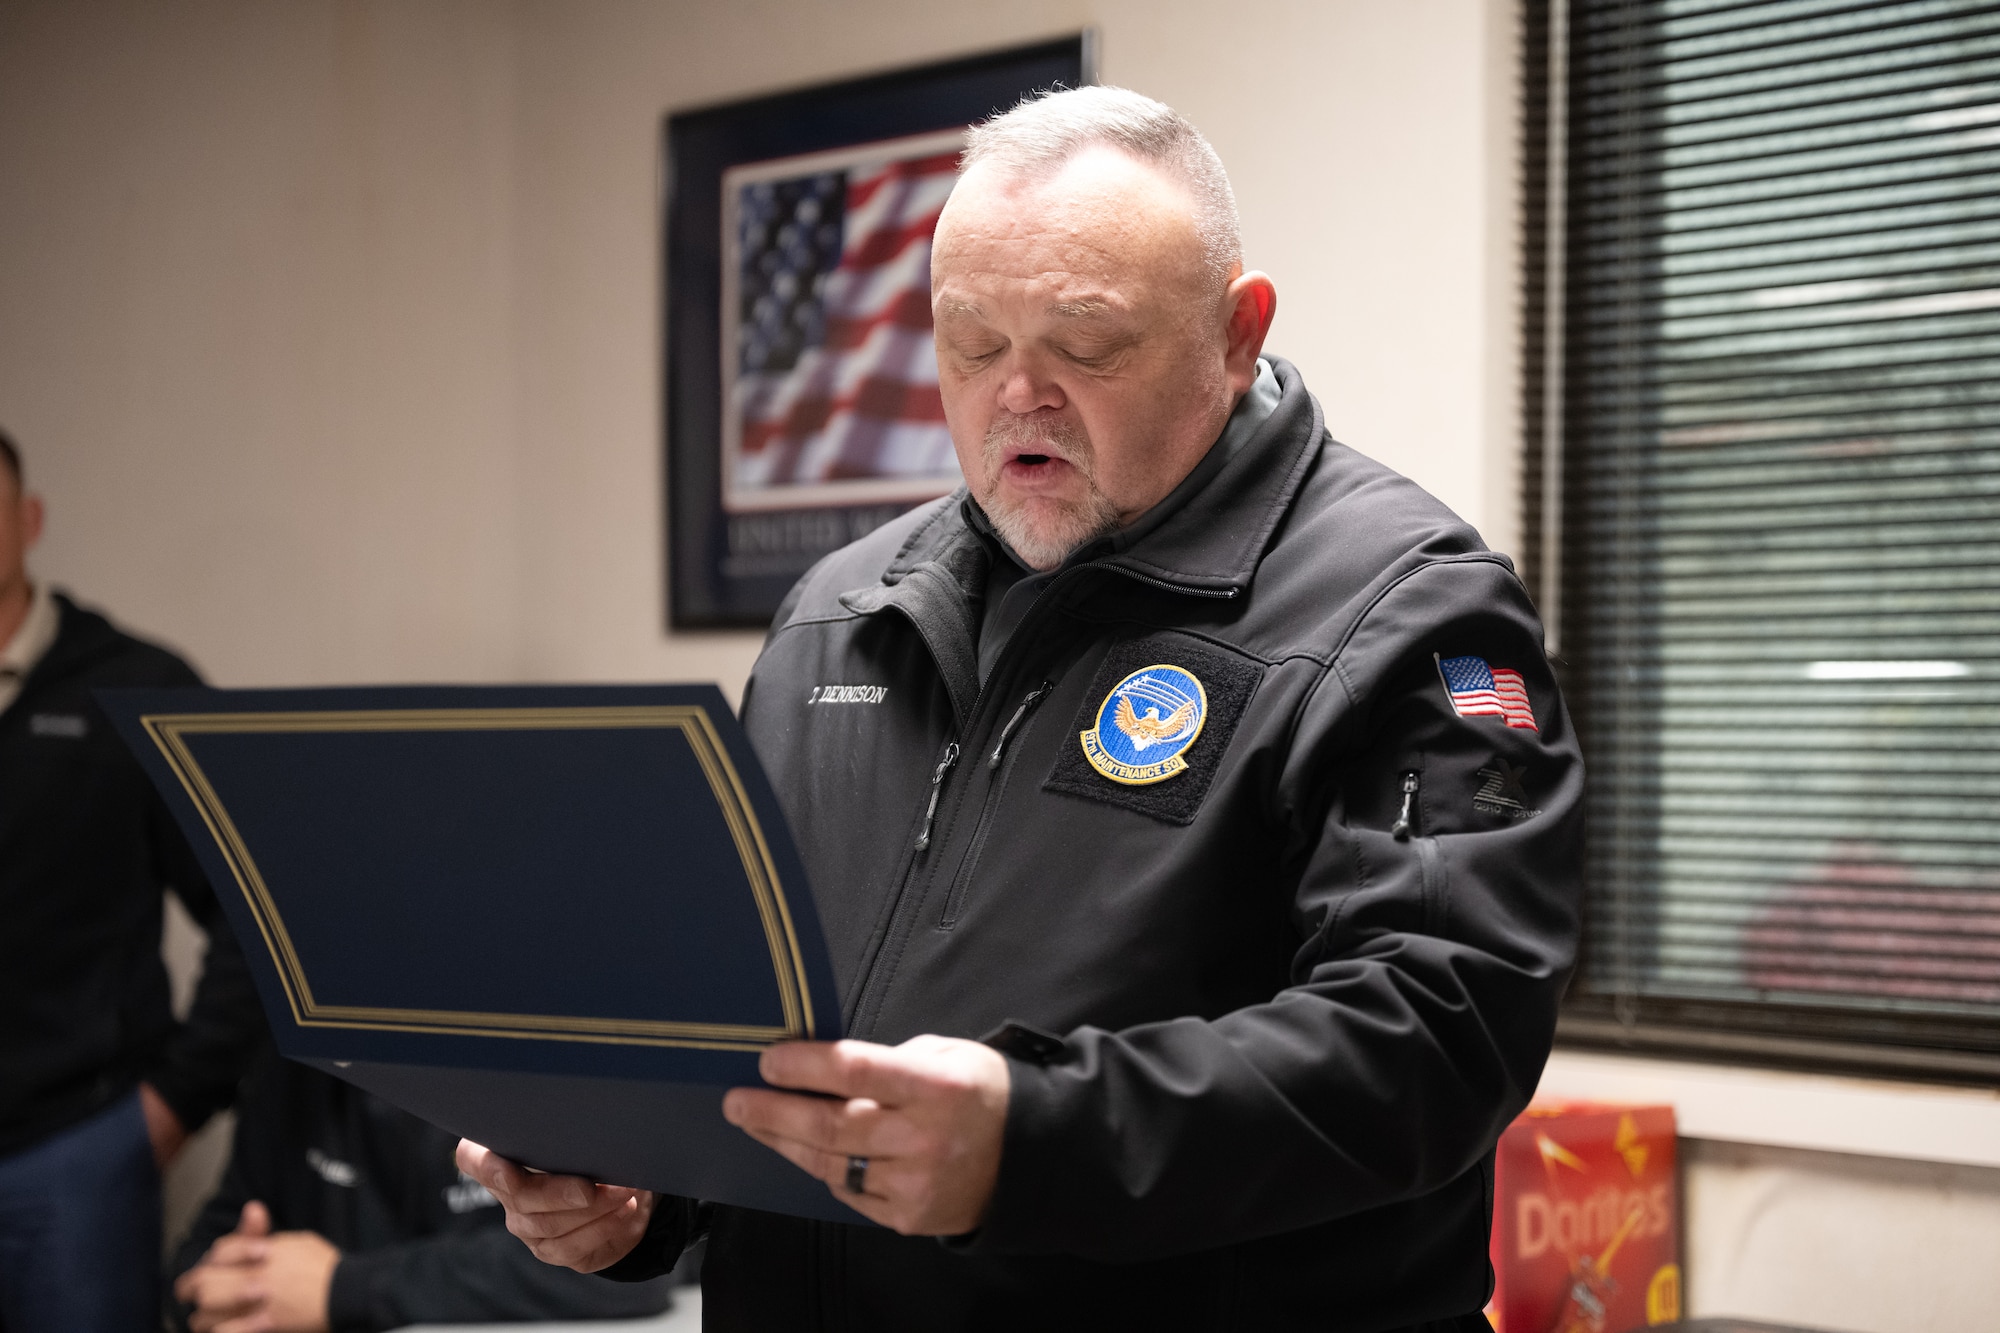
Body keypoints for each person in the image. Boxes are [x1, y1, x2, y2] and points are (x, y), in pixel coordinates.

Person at [461, 86, 1585, 1332]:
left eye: (1084, 342)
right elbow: (750, 1013)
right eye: (969, 342)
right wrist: (647, 1192)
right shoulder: (842, 611)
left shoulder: (1404, 607)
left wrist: (1036, 1140)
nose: (1016, 394)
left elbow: (1438, 1032)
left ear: (1234, 332)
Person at [0, 427, 267, 1331]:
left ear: (28, 519)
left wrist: (172, 1103)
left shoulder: (131, 688)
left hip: (74, 1155)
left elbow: (259, 908)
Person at [168, 1046, 676, 1333]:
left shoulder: (532, 1062)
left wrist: (343, 1288)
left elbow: (616, 1265)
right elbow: (209, 1248)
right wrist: (227, 1290)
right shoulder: (297, 1067)